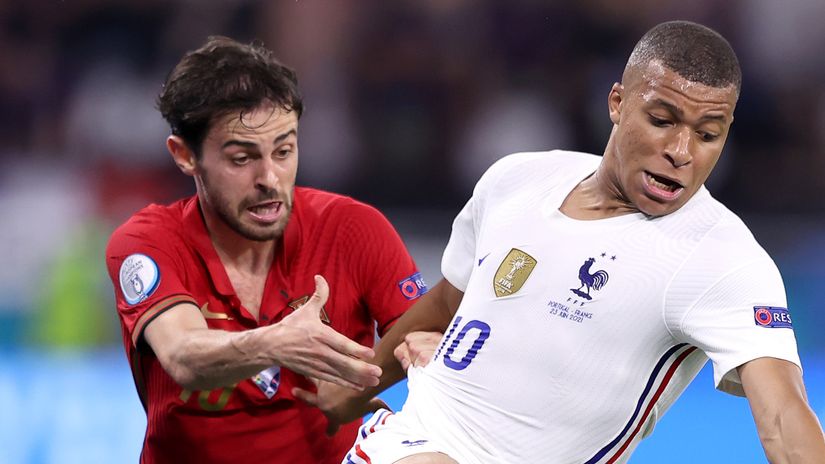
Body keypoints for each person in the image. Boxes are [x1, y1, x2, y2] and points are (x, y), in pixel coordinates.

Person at [296, 21, 825, 463]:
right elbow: (448, 302)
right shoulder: (516, 180)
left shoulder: (723, 257)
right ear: (617, 103)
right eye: (662, 121)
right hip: (414, 443)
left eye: (708, 134)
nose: (681, 151)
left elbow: (780, 412)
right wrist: (354, 389)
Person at [104, 36, 430, 464]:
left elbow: (426, 340)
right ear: (184, 155)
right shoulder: (147, 242)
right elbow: (183, 356)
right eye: (242, 159)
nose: (270, 179)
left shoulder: (354, 229)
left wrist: (418, 357)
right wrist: (278, 342)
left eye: (284, 151)